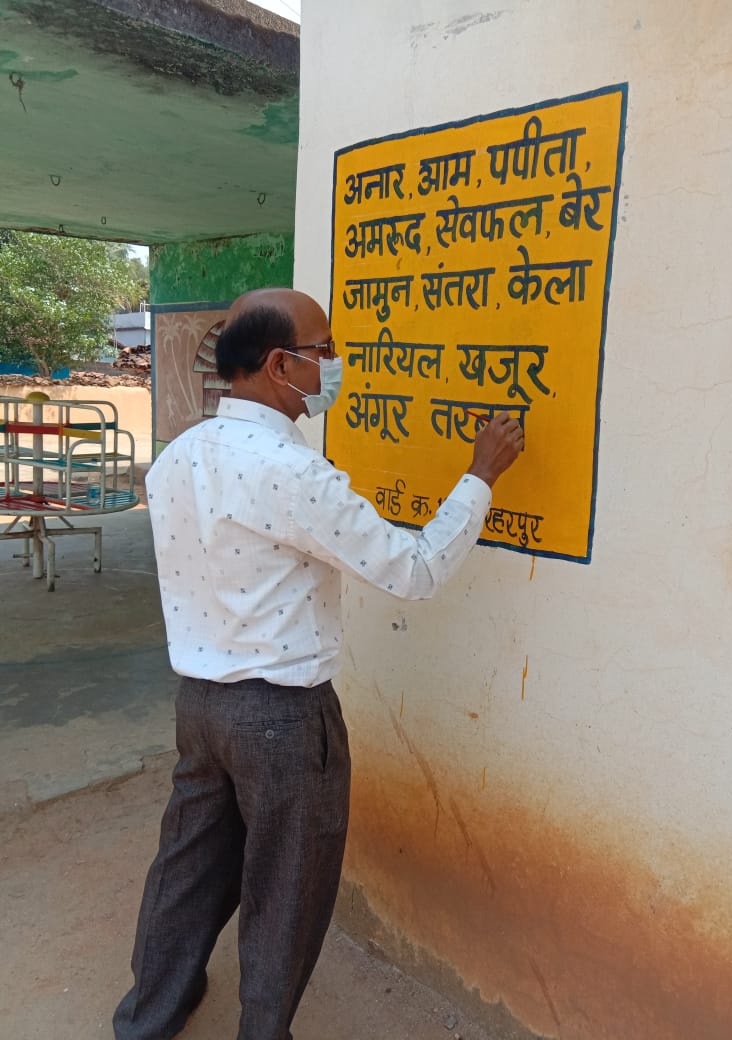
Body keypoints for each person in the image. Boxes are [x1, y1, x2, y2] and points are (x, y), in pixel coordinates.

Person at [113, 287, 524, 1040]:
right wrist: (480, 476)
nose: (334, 365)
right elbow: (415, 570)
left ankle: (149, 1014)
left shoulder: (177, 458)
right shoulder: (291, 474)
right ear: (279, 365)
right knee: (287, 889)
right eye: (324, 350)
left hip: (200, 707)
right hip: (281, 719)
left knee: (188, 866)